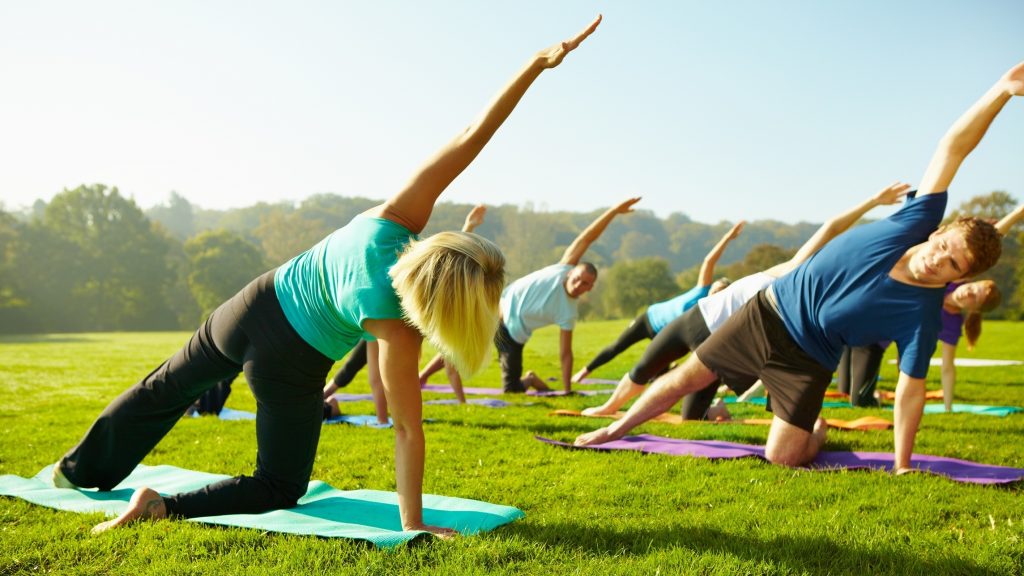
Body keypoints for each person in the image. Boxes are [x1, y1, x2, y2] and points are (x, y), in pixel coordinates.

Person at [52, 15, 603, 536]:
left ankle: (75, 471)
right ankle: (161, 508)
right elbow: (408, 431)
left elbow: (469, 137)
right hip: (289, 364)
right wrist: (412, 524)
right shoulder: (399, 327)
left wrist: (534, 65)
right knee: (279, 484)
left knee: (166, 388)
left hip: (249, 306)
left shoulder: (396, 218)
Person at [578, 60, 1022, 472]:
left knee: (784, 457)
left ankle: (817, 430)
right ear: (937, 233)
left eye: (952, 266)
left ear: (959, 278)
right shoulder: (915, 220)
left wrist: (902, 462)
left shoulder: (923, 316)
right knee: (685, 380)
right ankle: (614, 427)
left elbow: (909, 391)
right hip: (767, 313)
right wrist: (999, 93)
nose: (936, 262)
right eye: (943, 248)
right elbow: (952, 149)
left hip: (811, 358)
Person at [580, 181, 911, 419]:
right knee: (644, 367)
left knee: (690, 417)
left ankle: (713, 410)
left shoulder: (808, 298)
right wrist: (872, 202)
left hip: (718, 343)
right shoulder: (792, 267)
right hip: (696, 319)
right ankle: (609, 408)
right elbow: (830, 227)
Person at [421, 196, 641, 394]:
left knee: (512, 389)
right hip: (501, 306)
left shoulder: (568, 313)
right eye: (577, 278)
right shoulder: (562, 267)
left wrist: (567, 389)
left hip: (513, 335)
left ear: (589, 288)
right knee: (461, 341)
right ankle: (422, 376)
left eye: (585, 284)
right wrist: (612, 211)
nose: (577, 284)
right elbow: (586, 238)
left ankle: (531, 380)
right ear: (571, 270)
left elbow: (565, 353)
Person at [840, 204, 1024, 410]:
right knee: (843, 388)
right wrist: (1017, 213)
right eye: (974, 288)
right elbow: (984, 240)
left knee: (859, 401)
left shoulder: (946, 290)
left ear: (974, 309)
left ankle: (876, 397)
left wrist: (947, 407)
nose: (967, 292)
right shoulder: (951, 282)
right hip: (858, 323)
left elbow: (947, 367)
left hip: (874, 342)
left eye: (974, 297)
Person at [570, 221, 745, 384]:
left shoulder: (711, 316)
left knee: (656, 376)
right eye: (715, 288)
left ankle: (664, 377)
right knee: (617, 346)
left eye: (720, 292)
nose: (715, 293)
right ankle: (584, 372)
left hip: (665, 336)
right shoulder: (701, 290)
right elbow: (709, 261)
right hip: (649, 318)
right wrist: (727, 238)